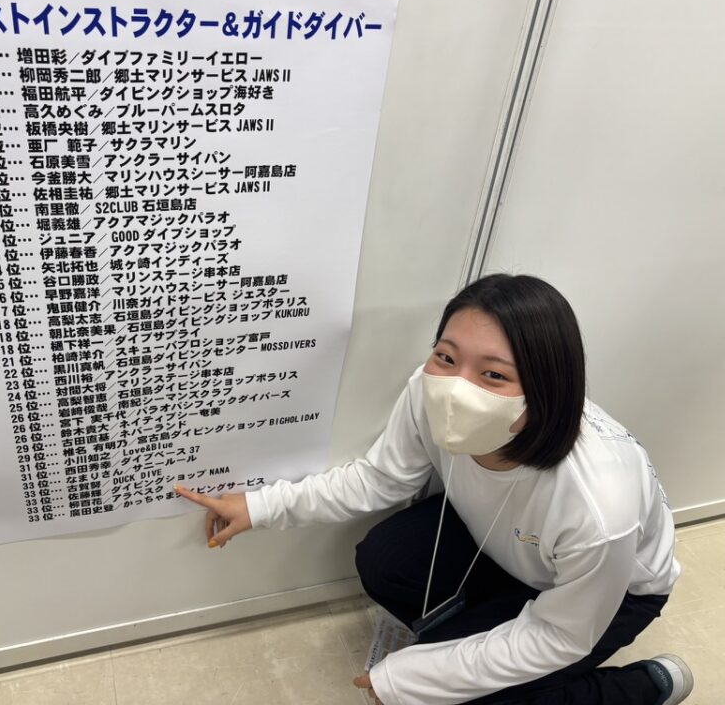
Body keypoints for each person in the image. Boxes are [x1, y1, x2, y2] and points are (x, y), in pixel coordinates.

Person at [175, 274, 691, 705]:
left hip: (616, 594)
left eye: (493, 375)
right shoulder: (427, 391)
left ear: (546, 389)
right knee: (383, 561)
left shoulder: (598, 505)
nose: (456, 388)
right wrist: (260, 506)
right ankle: (484, 631)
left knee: (461, 696)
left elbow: (560, 634)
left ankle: (642, 687)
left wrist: (414, 679)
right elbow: (381, 478)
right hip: (507, 545)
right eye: (446, 356)